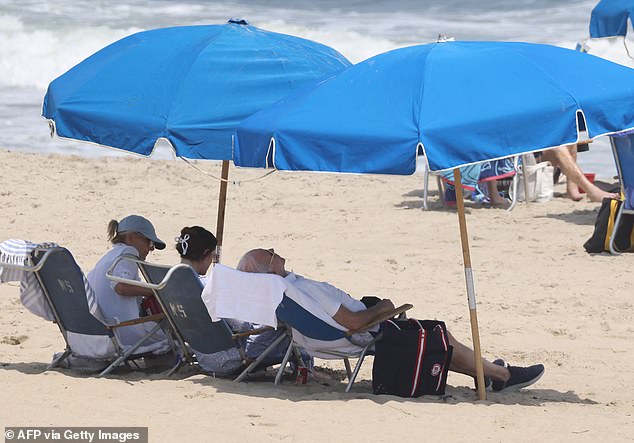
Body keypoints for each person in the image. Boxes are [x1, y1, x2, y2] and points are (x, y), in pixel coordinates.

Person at [237, 248, 546, 392]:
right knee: (439, 334)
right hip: (358, 335)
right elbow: (354, 323)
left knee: (437, 338)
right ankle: (502, 376)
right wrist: (385, 308)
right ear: (269, 270)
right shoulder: (299, 290)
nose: (274, 250)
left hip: (322, 338)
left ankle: (487, 374)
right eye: (268, 253)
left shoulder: (280, 294)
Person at [174, 226, 305, 376]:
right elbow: (243, 326)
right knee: (291, 324)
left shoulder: (170, 281)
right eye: (212, 256)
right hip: (228, 359)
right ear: (205, 253)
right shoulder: (207, 287)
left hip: (203, 356)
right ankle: (305, 370)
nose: (212, 261)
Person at [87, 214, 169, 353]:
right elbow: (121, 287)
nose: (151, 248)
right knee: (171, 334)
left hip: (98, 333)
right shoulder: (128, 253)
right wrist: (156, 290)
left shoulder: (108, 257)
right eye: (149, 241)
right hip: (121, 331)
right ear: (130, 238)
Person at [540, 144, 618, 202]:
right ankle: (591, 191)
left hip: (540, 166)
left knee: (569, 142)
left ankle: (572, 188)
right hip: (533, 173)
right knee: (558, 148)